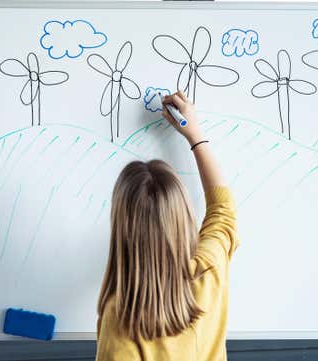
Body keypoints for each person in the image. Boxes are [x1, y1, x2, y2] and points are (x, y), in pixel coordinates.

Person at [96, 91, 239, 361]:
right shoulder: (209, 269)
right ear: (184, 217)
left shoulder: (121, 320)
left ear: (121, 230)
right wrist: (194, 134)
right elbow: (224, 210)